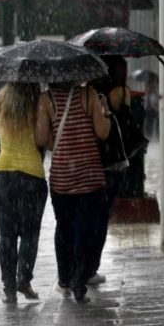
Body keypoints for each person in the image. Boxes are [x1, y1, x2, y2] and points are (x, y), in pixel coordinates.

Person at [36, 81, 110, 303]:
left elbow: (40, 139)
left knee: (64, 228)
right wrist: (104, 111)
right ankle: (80, 280)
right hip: (89, 175)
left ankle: (65, 279)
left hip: (62, 178)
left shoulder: (46, 99)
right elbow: (103, 132)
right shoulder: (89, 95)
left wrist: (59, 143)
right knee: (86, 230)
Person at [0, 83, 48, 304]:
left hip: (1, 177)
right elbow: (42, 140)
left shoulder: (0, 101)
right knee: (30, 234)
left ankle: (9, 288)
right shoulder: (38, 102)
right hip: (31, 176)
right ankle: (24, 279)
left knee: (7, 235)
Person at [89, 55, 134, 285]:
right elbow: (127, 124)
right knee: (102, 217)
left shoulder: (92, 93)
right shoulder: (122, 92)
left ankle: (82, 264)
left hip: (93, 160)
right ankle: (92, 267)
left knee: (89, 216)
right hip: (115, 162)